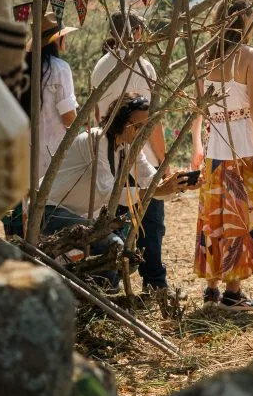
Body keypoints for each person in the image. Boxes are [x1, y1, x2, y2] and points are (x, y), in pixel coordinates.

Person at [38, 93, 198, 284]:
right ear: (119, 120)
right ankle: (102, 292)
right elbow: (108, 192)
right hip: (51, 210)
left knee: (130, 258)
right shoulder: (96, 139)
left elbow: (151, 181)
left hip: (81, 216)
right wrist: (158, 190)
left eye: (144, 128)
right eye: (136, 126)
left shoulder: (127, 147)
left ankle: (95, 290)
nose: (140, 133)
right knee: (116, 249)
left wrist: (178, 185)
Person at [190, 0, 253, 311]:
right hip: (245, 149)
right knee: (242, 217)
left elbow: (197, 108)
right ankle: (233, 292)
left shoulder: (204, 58)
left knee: (214, 217)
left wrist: (197, 145)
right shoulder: (250, 56)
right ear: (242, 19)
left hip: (215, 147)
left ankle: (212, 289)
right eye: (251, 17)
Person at [90, 11, 171, 296]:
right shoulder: (143, 66)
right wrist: (163, 160)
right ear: (136, 32)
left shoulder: (100, 66)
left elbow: (97, 115)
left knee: (113, 220)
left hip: (110, 152)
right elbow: (152, 121)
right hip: (140, 153)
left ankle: (109, 280)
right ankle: (154, 282)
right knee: (151, 223)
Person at [2, 12, 78, 237]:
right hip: (53, 154)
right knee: (54, 213)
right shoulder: (59, 69)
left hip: (24, 154)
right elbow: (69, 117)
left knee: (28, 212)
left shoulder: (19, 69)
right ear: (56, 40)